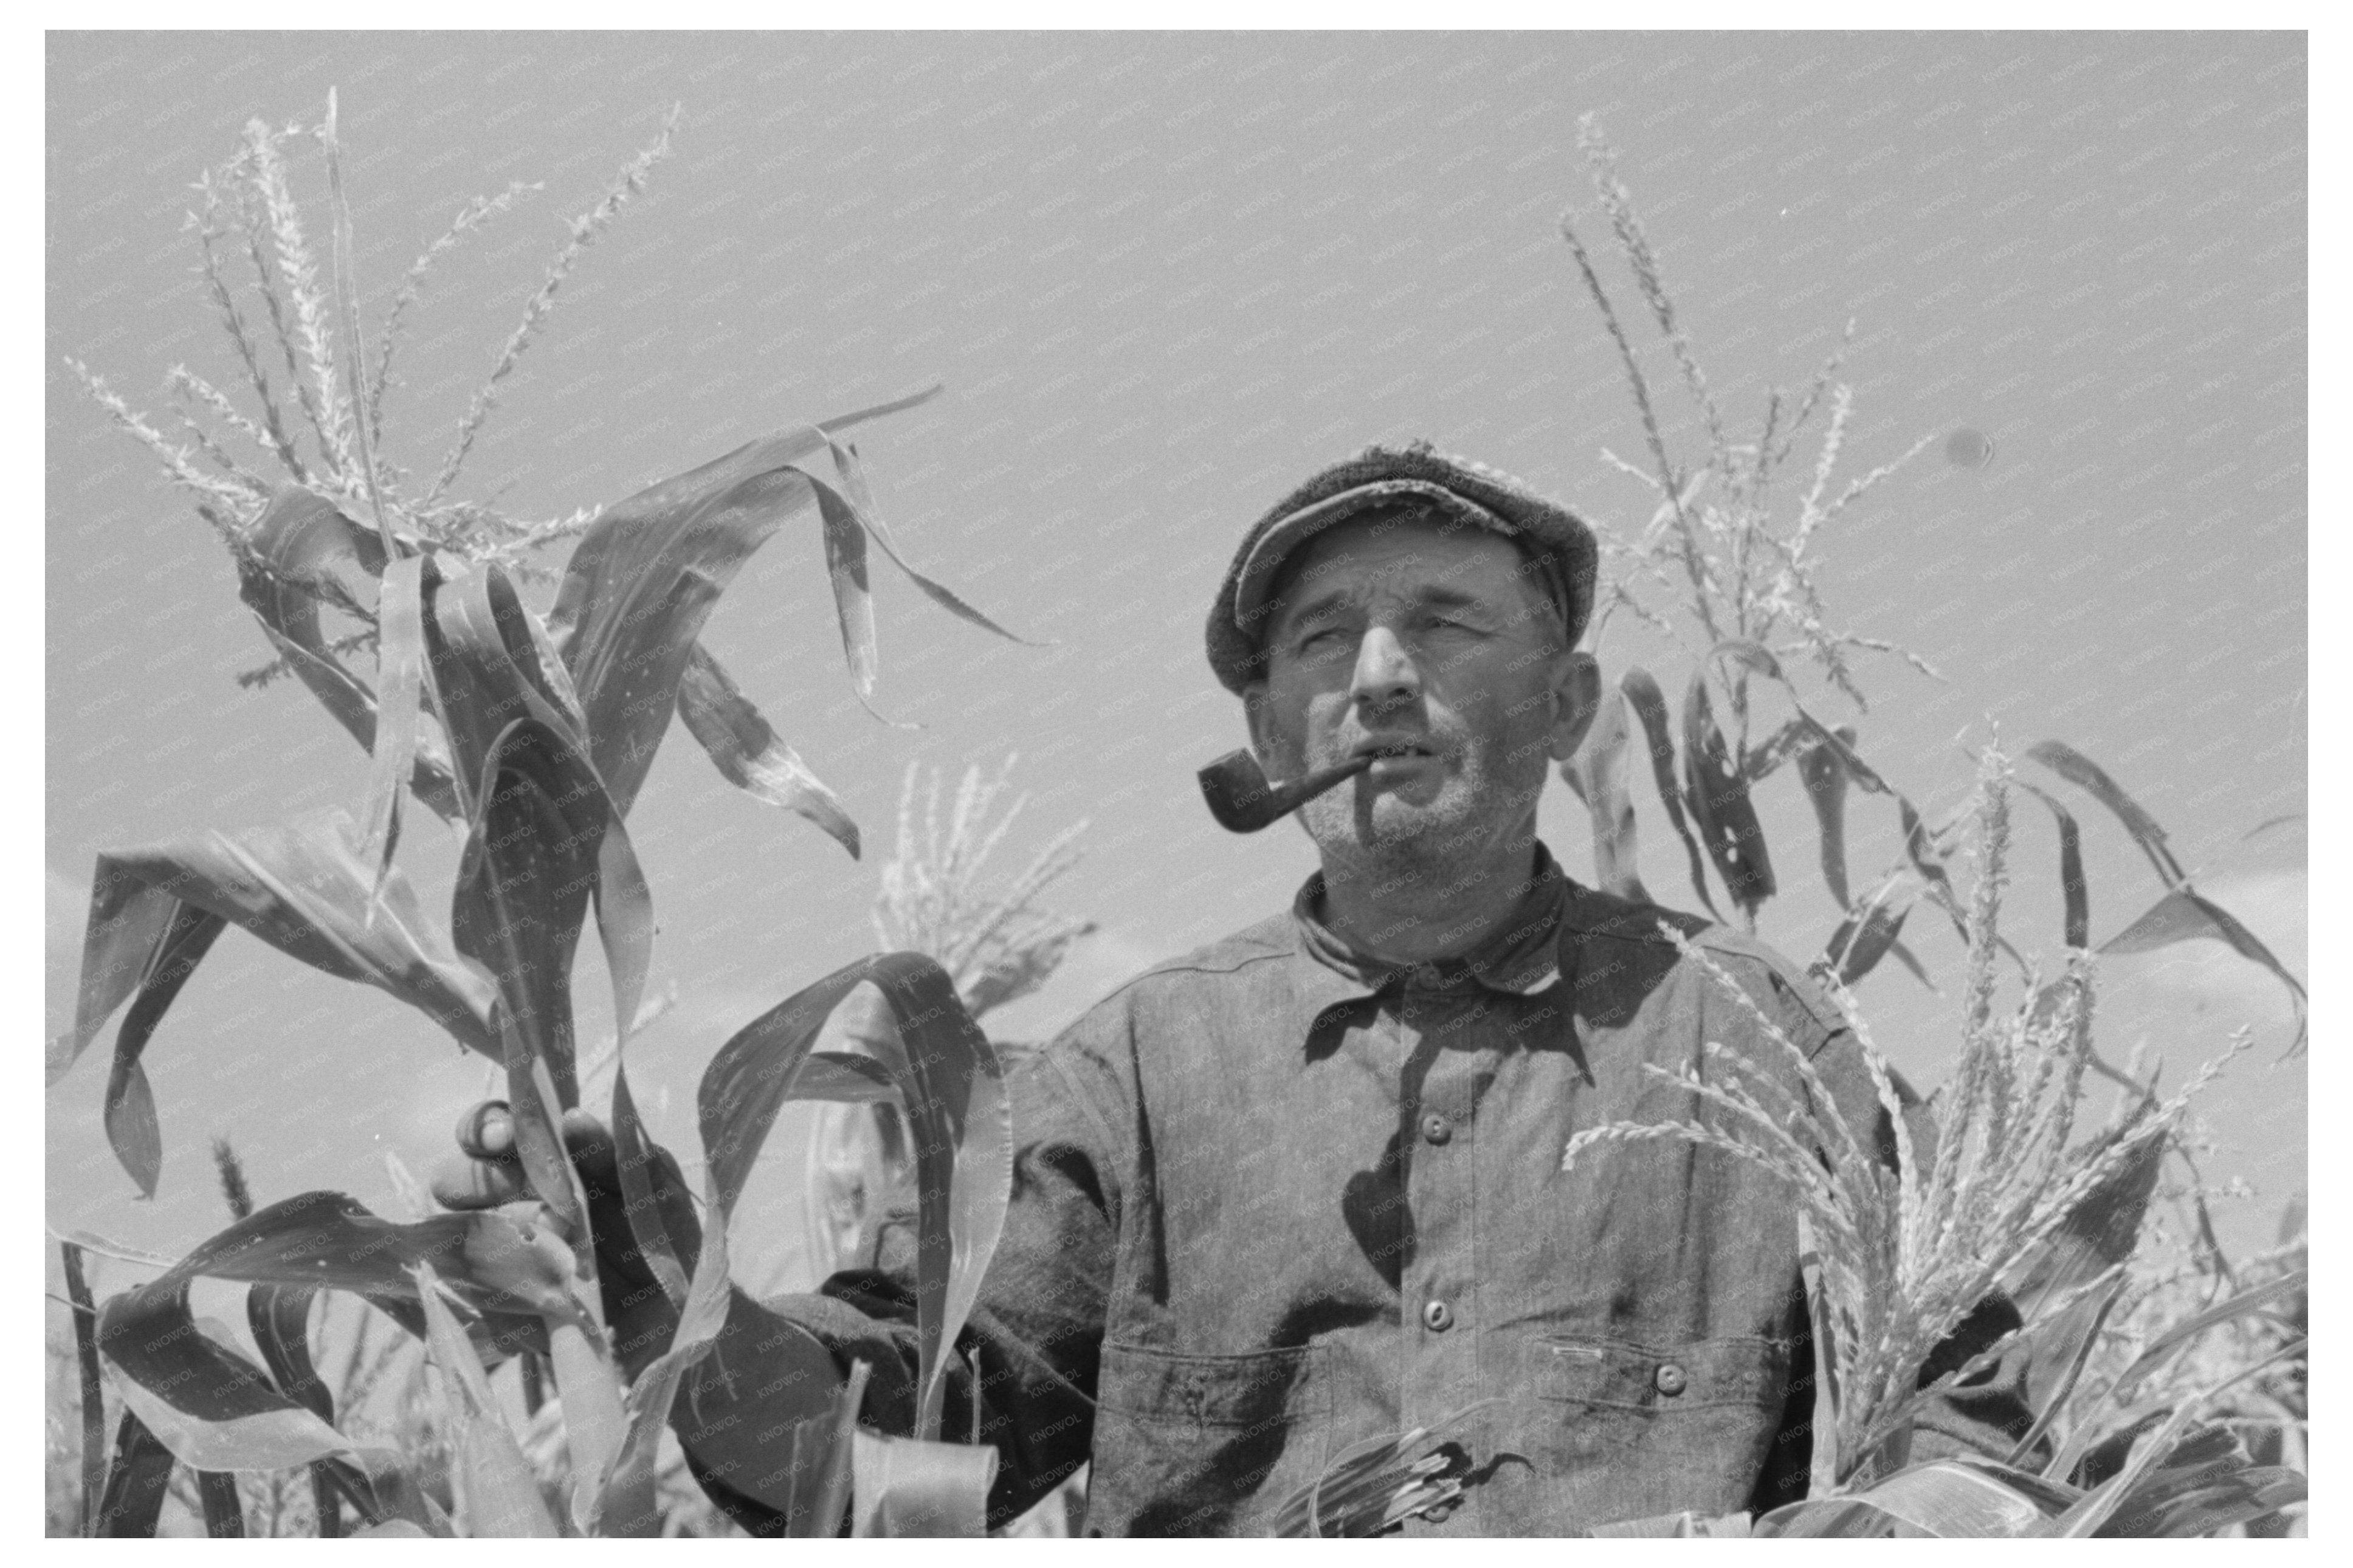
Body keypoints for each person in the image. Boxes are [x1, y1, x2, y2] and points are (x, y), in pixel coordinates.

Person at [439, 442, 2031, 1536]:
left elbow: (1972, 1461)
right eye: (1324, 638)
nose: (1381, 672)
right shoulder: (1136, 1070)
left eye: (1446, 621)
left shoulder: (1763, 1040)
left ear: (1565, 706)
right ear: (1271, 742)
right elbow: (883, 1454)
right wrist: (659, 1274)